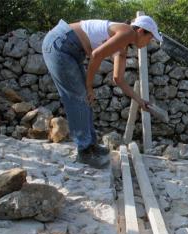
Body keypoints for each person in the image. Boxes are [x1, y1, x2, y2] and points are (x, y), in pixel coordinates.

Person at [42, 16, 162, 169]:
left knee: (84, 97)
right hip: (60, 45)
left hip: (69, 48)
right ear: (140, 31)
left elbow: (118, 79)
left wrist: (140, 101)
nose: (149, 43)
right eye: (150, 38)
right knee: (78, 97)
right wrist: (89, 86)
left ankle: (90, 145)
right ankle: (84, 151)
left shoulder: (123, 42)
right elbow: (96, 55)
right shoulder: (126, 33)